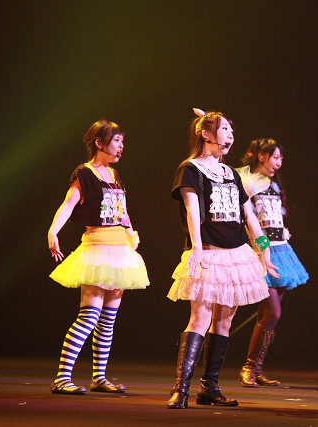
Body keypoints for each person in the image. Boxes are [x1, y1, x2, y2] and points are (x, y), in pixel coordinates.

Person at [166, 108, 278, 409]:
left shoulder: (230, 174)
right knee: (200, 318)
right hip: (209, 251)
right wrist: (197, 247)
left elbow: (249, 216)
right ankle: (181, 389)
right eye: (225, 128)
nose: (230, 134)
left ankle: (209, 387)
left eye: (231, 130)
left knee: (224, 320)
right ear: (206, 134)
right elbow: (192, 211)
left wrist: (264, 249)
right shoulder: (190, 169)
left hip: (236, 254)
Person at [47, 119, 149, 395]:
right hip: (97, 250)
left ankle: (99, 377)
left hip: (120, 251)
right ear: (99, 143)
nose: (121, 146)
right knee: (89, 316)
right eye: (116, 141)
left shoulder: (114, 174)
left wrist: (131, 232)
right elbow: (68, 204)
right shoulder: (85, 173)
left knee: (108, 319)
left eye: (122, 141)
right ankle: (62, 378)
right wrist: (53, 231)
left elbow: (122, 210)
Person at [235, 138, 309, 387]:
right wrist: (258, 248)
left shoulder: (275, 184)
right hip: (261, 251)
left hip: (281, 250)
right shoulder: (247, 183)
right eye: (275, 157)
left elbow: (277, 214)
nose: (279, 163)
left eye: (281, 158)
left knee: (266, 315)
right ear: (261, 156)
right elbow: (247, 220)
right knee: (273, 313)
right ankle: (248, 368)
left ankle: (256, 369)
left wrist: (283, 230)